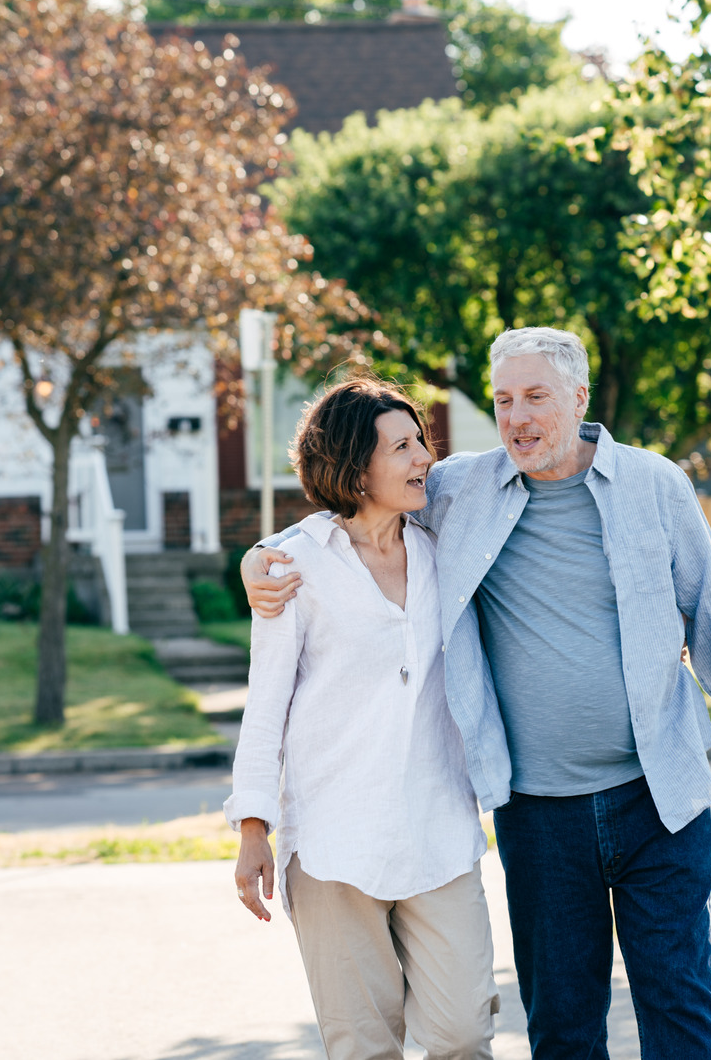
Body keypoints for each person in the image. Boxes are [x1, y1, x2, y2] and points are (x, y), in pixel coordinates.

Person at [243, 327, 711, 1060]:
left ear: (579, 399)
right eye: (502, 400)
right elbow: (349, 517)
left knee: (680, 1001)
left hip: (659, 797)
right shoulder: (461, 490)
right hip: (537, 812)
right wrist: (259, 558)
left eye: (536, 397)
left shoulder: (654, 486)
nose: (518, 417)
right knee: (561, 1023)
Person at [225, 375, 499, 1060]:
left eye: (421, 441)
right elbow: (266, 704)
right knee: (364, 1047)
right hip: (333, 846)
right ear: (355, 467)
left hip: (438, 833)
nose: (423, 458)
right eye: (402, 446)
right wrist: (253, 828)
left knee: (464, 1032)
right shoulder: (295, 566)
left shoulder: (442, 550)